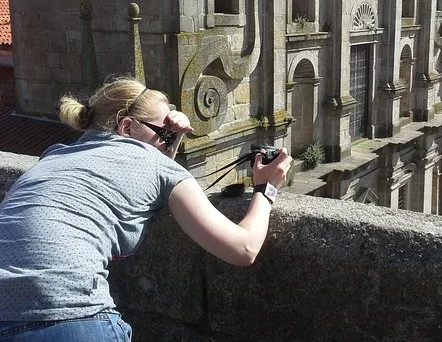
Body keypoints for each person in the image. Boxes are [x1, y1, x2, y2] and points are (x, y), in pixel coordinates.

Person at [0, 76, 292, 341]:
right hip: (67, 316)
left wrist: (169, 136)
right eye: (164, 133)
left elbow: (140, 173)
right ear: (126, 127)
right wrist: (267, 188)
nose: (169, 142)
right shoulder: (157, 166)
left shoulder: (54, 156)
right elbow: (243, 248)